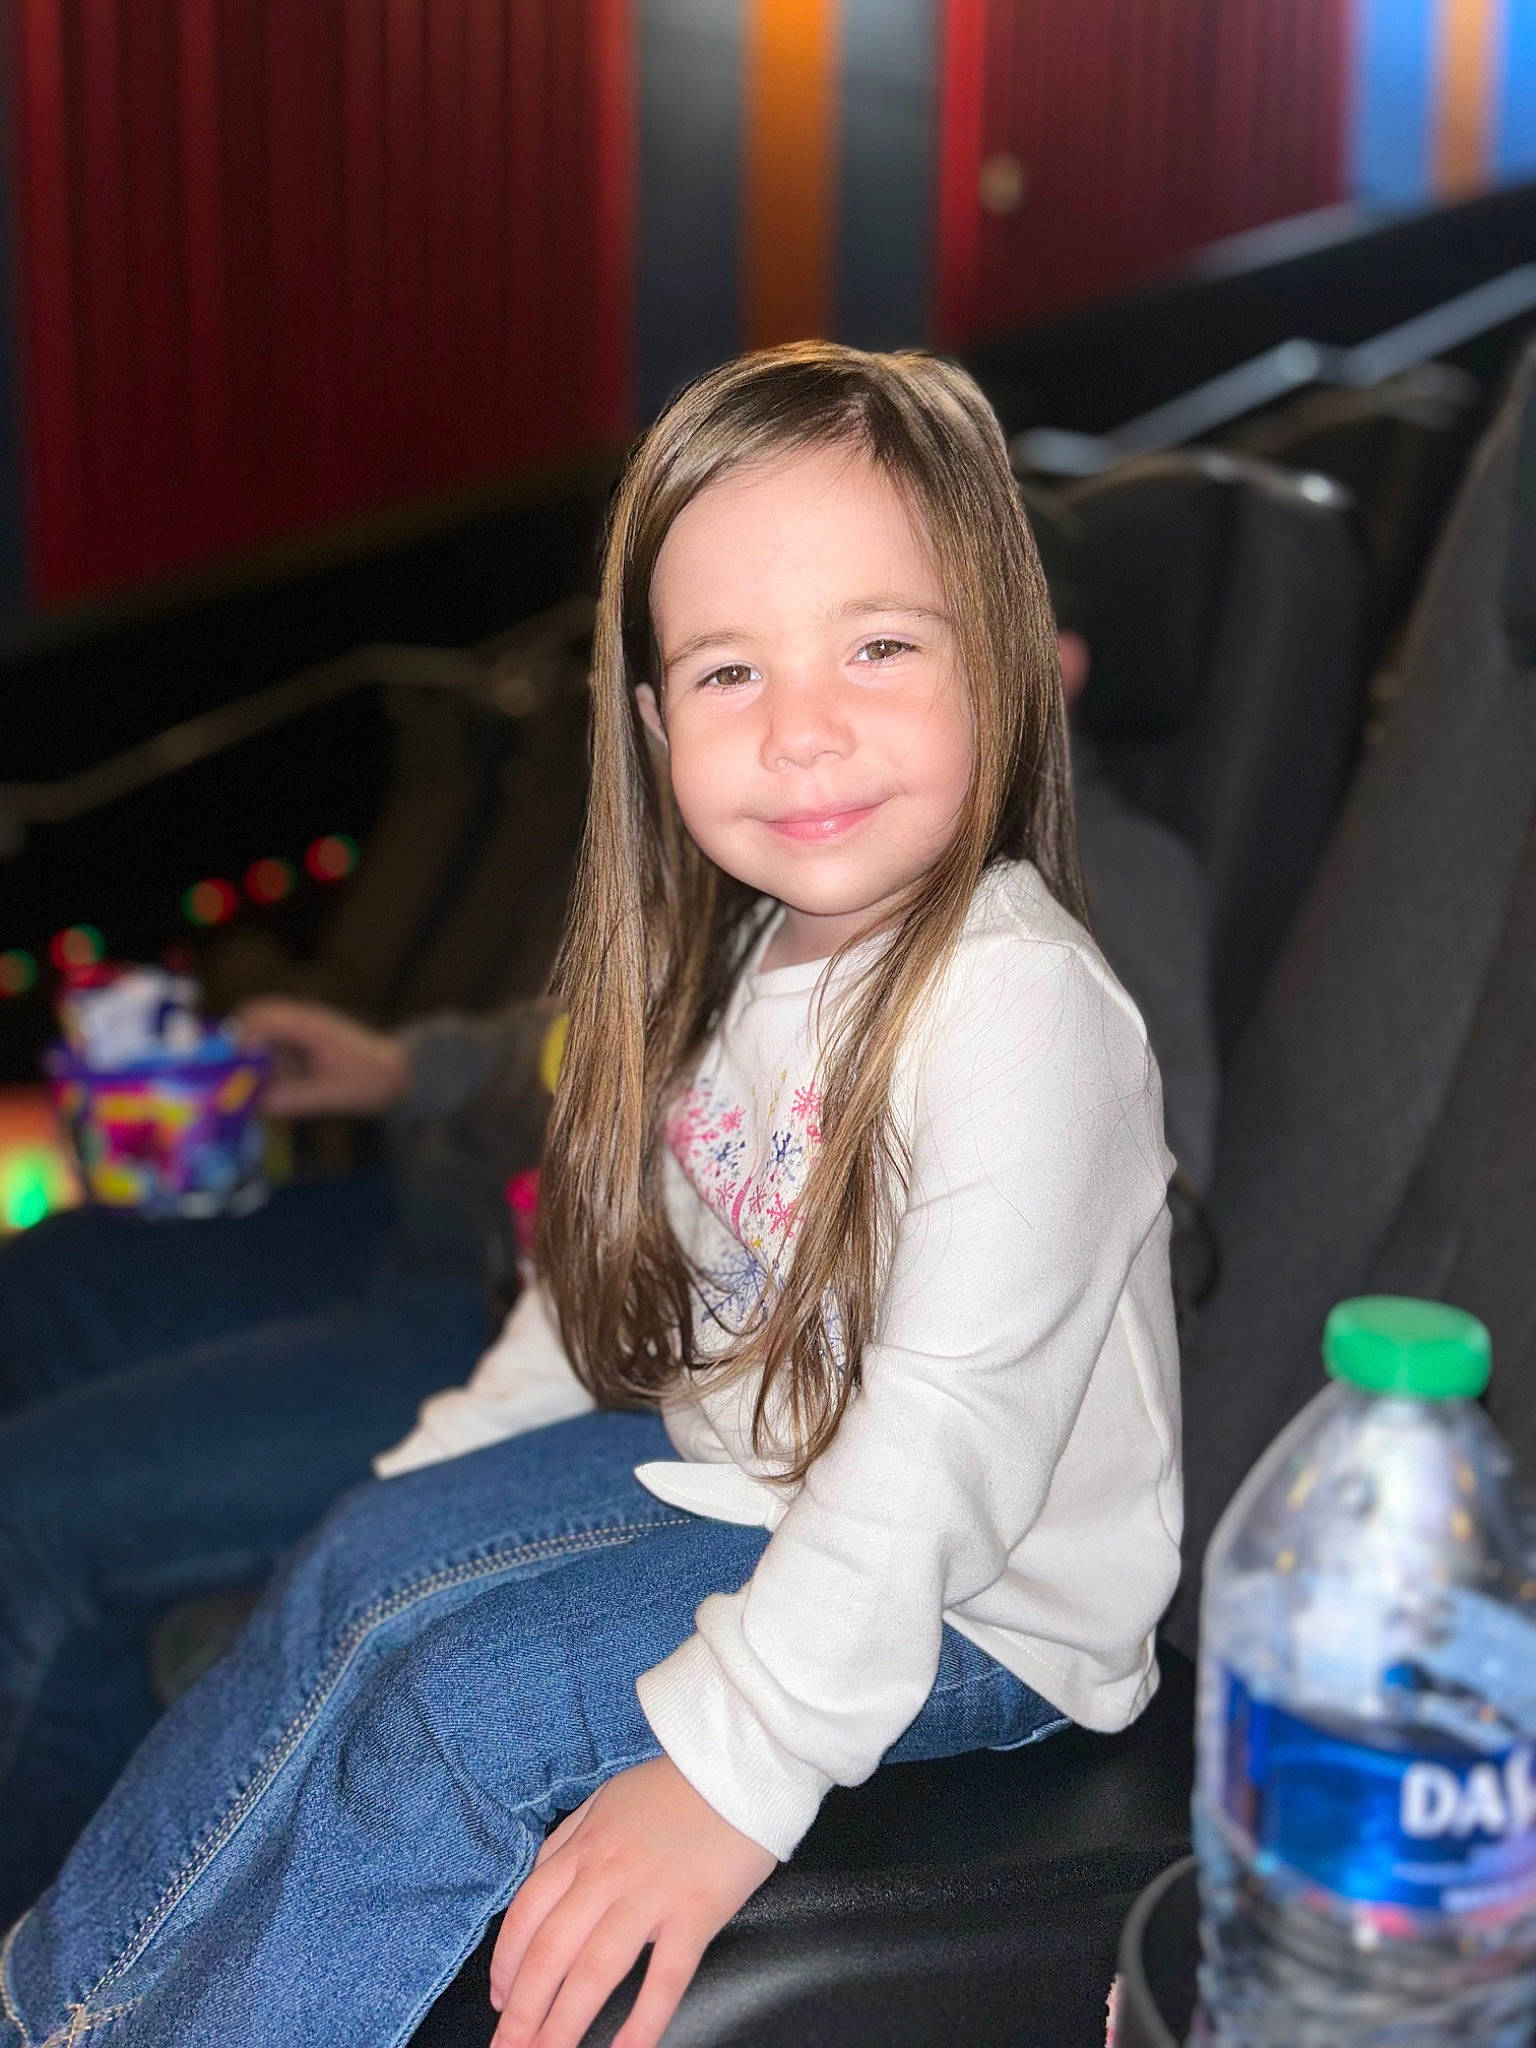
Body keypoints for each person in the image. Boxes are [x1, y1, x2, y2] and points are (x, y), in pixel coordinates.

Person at [0, 343, 1180, 2048]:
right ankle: (59, 2008)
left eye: (877, 645)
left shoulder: (1020, 1004)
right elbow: (588, 1298)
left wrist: (734, 1770)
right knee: (360, 1562)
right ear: (650, 726)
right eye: (726, 673)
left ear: (1000, 663)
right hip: (766, 1485)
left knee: (449, 1707)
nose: (804, 728)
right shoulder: (741, 968)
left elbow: (942, 1448)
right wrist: (416, 1496)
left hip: (989, 1599)